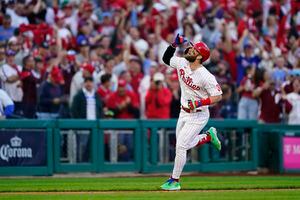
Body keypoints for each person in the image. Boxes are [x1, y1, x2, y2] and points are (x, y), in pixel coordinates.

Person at [160, 34, 223, 190]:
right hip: (184, 112)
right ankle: (207, 136)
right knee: (183, 145)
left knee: (181, 146)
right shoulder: (182, 63)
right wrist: (173, 45)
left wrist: (199, 102)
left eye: (195, 49)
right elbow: (166, 59)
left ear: (199, 57)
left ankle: (174, 181)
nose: (190, 48)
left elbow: (218, 96)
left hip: (198, 114)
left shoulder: (206, 75)